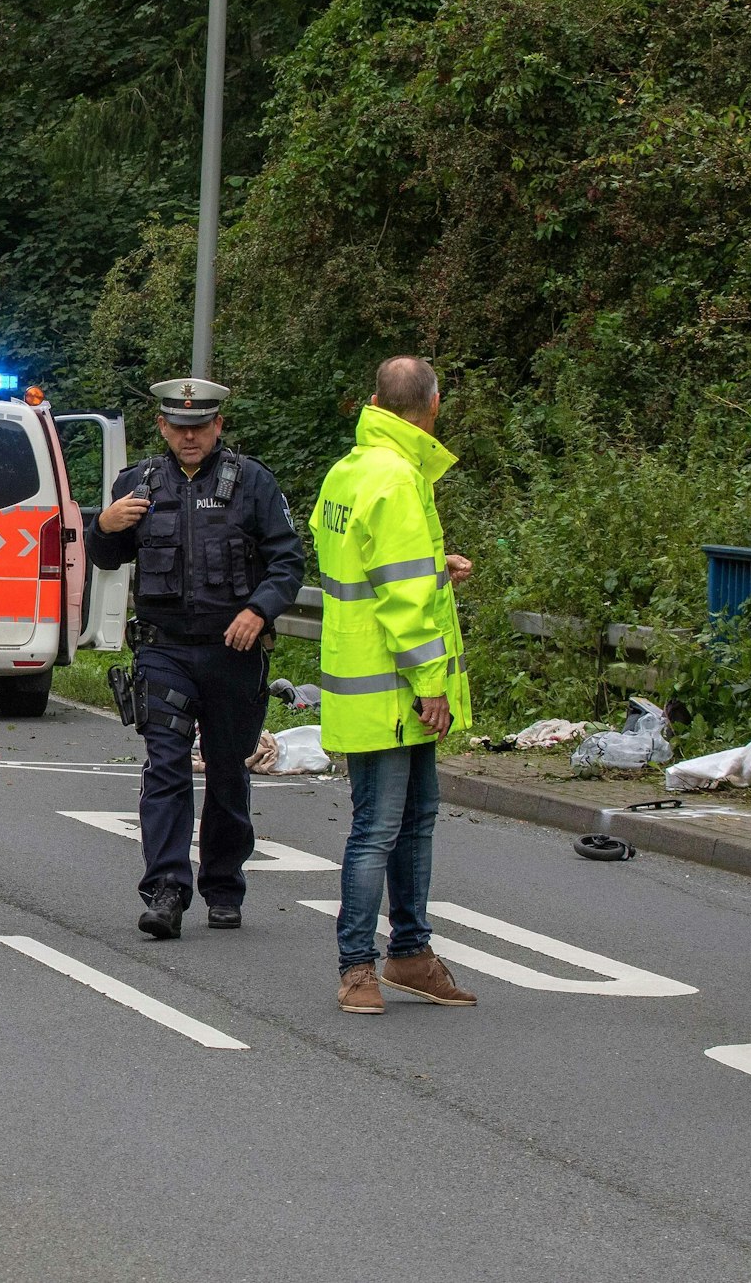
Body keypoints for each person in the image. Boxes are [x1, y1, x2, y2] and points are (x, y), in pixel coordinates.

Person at [84, 377, 304, 940]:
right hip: (165, 651)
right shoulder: (138, 483)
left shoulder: (252, 483)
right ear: (162, 427)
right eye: (179, 427)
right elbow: (105, 556)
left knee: (228, 771)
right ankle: (165, 890)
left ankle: (224, 886)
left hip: (234, 652)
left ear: (218, 427)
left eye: (199, 427)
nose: (189, 437)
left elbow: (287, 564)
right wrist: (101, 527)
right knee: (166, 767)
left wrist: (258, 611)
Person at [313, 356, 477, 1015]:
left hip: (363, 679)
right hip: (399, 686)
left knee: (406, 822)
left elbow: (375, 570)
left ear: (374, 401)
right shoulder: (401, 479)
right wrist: (431, 682)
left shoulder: (349, 472)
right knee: (384, 828)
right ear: (432, 406)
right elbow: (403, 600)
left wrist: (438, 567)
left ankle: (408, 954)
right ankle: (359, 967)